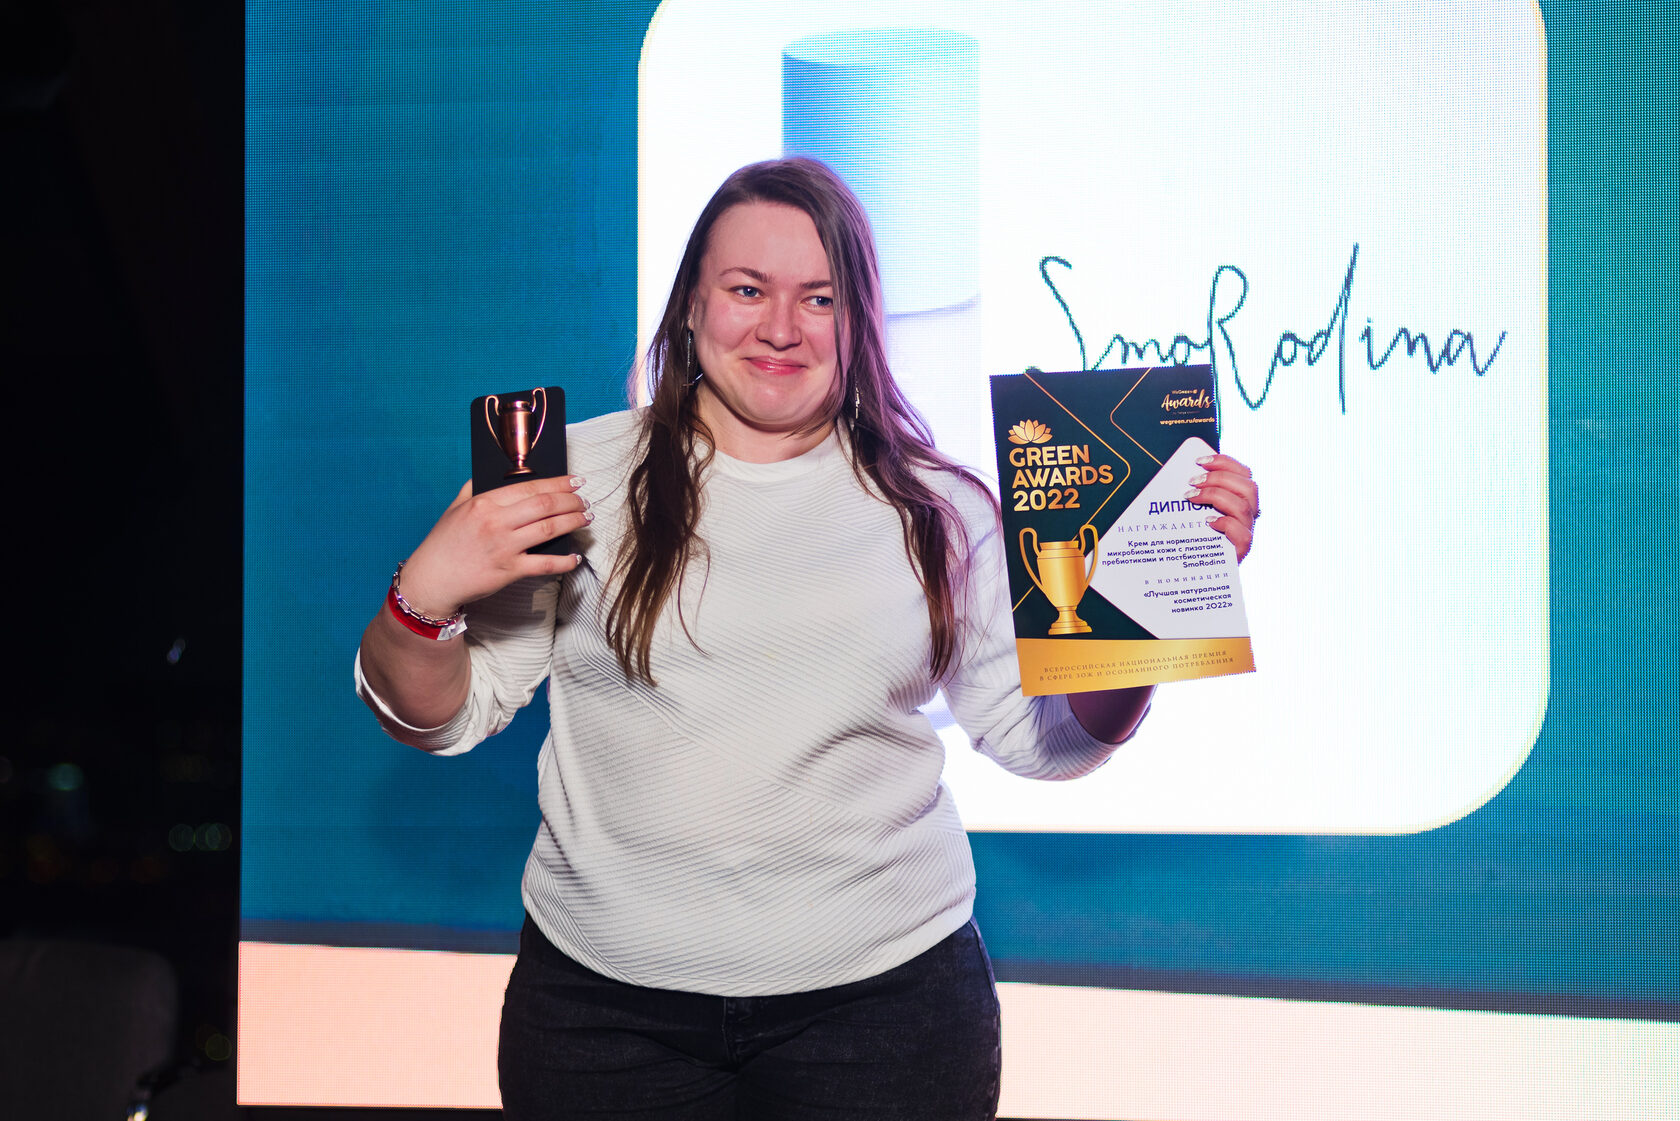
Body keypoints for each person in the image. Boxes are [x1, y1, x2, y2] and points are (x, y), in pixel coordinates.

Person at [356, 157, 1257, 1121]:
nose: (781, 327)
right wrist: (422, 598)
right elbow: (444, 717)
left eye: (819, 298)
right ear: (691, 306)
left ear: (858, 321)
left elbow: (1045, 742)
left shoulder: (940, 507)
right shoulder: (572, 479)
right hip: (603, 1016)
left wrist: (1143, 614)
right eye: (748, 290)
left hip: (887, 1013)